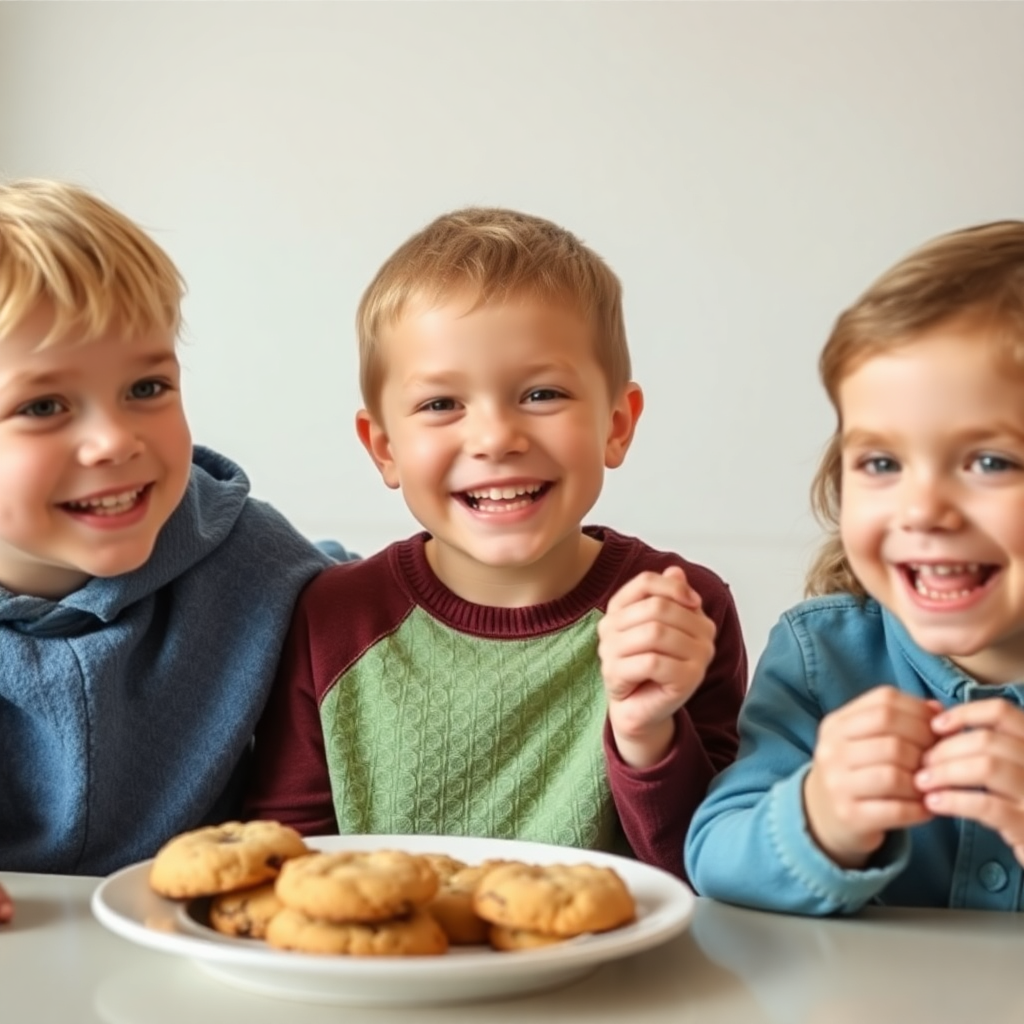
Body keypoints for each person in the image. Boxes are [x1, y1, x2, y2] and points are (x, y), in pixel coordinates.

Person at [244, 207, 747, 878]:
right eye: (441, 405)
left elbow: (713, 870)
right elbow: (289, 861)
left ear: (617, 424)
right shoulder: (331, 620)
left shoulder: (681, 612)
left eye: (541, 394)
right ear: (385, 448)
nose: (495, 438)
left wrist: (648, 733)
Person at [0, 179, 353, 915]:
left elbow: (379, 615)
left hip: (191, 951)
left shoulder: (246, 554)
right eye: (43, 405)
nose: (114, 440)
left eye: (146, 388)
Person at [685, 220, 1024, 913]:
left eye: (990, 462)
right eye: (882, 462)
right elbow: (716, 853)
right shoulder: (823, 656)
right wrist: (820, 817)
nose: (922, 510)